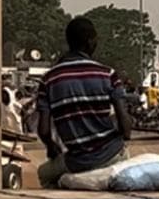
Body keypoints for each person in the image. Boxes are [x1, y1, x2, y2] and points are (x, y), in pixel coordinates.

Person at [36, 17, 137, 185]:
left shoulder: (48, 80)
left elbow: (44, 131)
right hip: (112, 155)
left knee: (44, 174)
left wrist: (51, 146)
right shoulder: (108, 74)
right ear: (90, 42)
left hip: (76, 162)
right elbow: (126, 130)